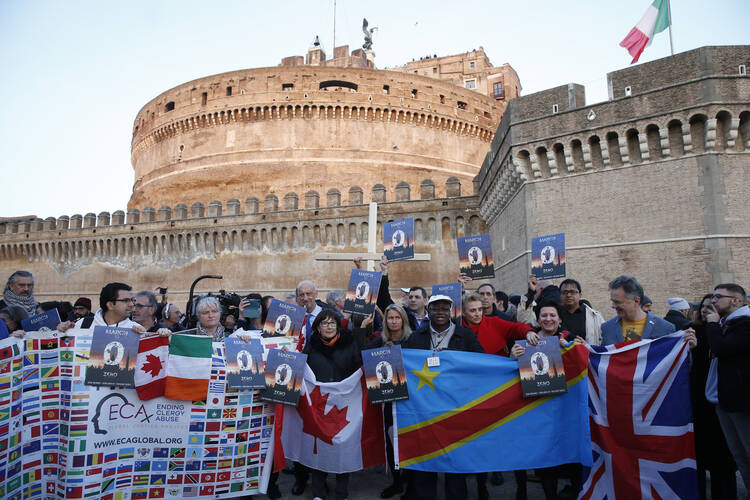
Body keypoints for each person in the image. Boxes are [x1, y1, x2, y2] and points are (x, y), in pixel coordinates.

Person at [402, 294, 484, 500]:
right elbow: (404, 365)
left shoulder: (465, 336)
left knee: (454, 462)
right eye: (435, 309)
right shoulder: (416, 337)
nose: (440, 312)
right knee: (425, 461)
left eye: (444, 309)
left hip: (455, 408)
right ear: (428, 312)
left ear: (451, 311)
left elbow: (482, 363)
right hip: (424, 409)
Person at [462, 292, 532, 497]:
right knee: (482, 443)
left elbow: (517, 327)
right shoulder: (459, 331)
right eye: (472, 311)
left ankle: (522, 489)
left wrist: (528, 333)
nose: (477, 314)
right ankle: (482, 486)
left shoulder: (494, 323)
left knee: (514, 441)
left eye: (480, 310)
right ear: (464, 313)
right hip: (476, 394)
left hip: (504, 392)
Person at [515, 301, 581, 500]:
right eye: (544, 315)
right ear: (538, 319)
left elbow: (584, 365)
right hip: (538, 410)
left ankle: (575, 490)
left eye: (553, 315)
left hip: (565, 410)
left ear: (560, 319)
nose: (548, 319)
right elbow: (512, 374)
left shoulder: (570, 340)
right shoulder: (526, 343)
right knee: (546, 459)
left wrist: (572, 348)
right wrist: (513, 356)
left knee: (571, 455)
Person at [301, 309, 363, 500]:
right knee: (319, 448)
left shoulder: (350, 343)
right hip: (319, 405)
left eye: (332, 323)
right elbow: (301, 369)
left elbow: (360, 366)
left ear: (338, 325)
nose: (328, 327)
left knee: (342, 448)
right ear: (317, 327)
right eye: (324, 323)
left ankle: (341, 493)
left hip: (345, 405)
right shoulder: (310, 346)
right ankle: (319, 493)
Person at [690, 294, 737, 500]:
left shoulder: (726, 331)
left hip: (721, 399)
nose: (707, 311)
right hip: (697, 400)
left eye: (712, 307)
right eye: (704, 307)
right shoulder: (693, 331)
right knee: (697, 453)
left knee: (722, 457)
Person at [704, 283, 750, 489]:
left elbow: (722, 348)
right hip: (723, 398)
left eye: (718, 297)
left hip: (742, 400)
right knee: (739, 454)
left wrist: (713, 325)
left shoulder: (745, 324)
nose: (713, 301)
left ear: (736, 300)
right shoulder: (727, 323)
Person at [600, 276, 675, 345]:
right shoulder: (607, 328)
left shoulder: (665, 328)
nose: (613, 306)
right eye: (612, 301)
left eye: (618, 302)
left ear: (636, 301)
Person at [58, 282, 145, 332]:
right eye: (126, 300)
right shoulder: (83, 324)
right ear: (110, 305)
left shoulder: (135, 330)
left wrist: (155, 338)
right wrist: (61, 331)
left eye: (132, 300)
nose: (132, 304)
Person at [558, 278, 605, 345]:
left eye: (572, 292)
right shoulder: (555, 315)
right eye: (564, 292)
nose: (568, 295)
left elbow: (604, 340)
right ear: (560, 295)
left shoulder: (595, 316)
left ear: (580, 295)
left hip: (588, 354)